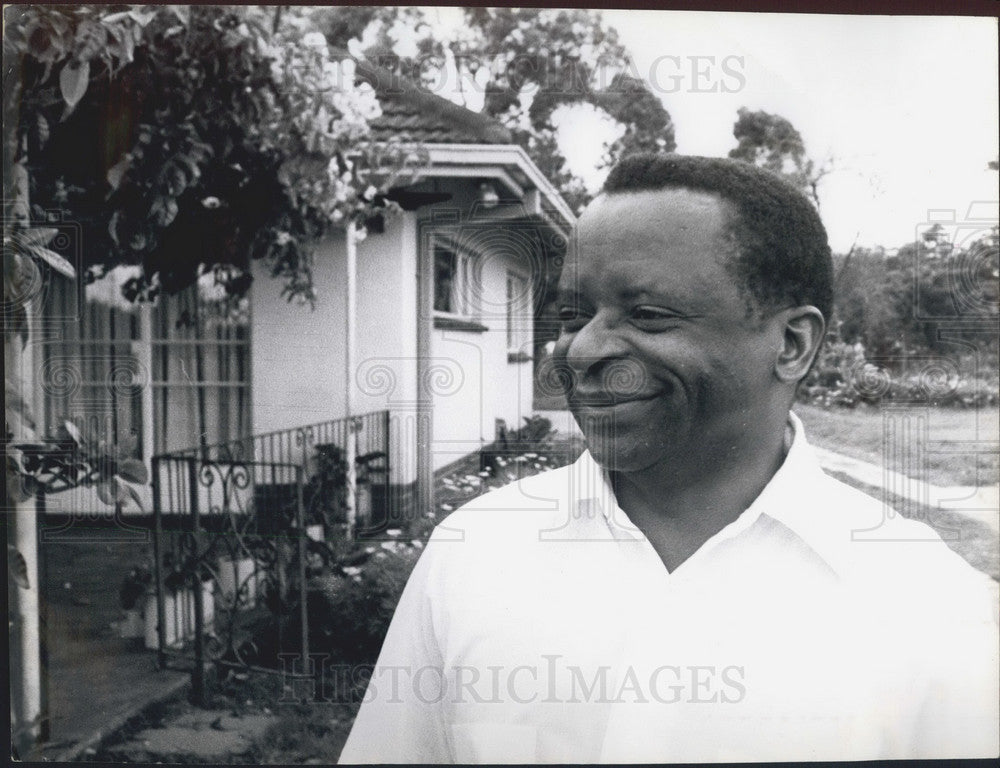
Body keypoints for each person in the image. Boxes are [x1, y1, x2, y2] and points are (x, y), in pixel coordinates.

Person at [338, 154, 998, 763]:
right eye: (573, 316)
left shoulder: (933, 609)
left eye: (648, 315)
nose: (581, 351)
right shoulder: (472, 555)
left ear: (793, 343)